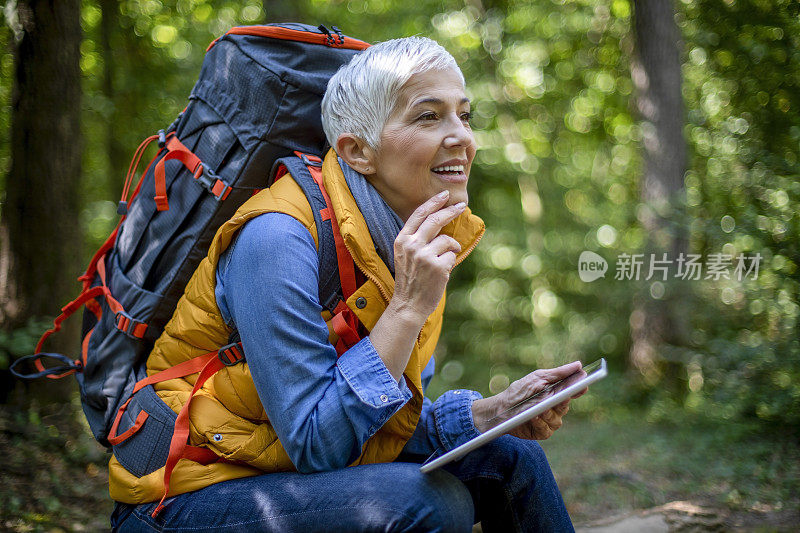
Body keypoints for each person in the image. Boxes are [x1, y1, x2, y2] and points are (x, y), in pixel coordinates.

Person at [110, 36, 582, 532]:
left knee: (513, 460)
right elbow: (317, 442)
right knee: (427, 501)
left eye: (465, 115)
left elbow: (377, 422)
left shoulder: (411, 239)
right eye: (428, 116)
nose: (461, 136)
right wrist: (405, 309)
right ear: (357, 152)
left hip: (278, 468)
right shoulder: (277, 238)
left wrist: (491, 414)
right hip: (184, 495)